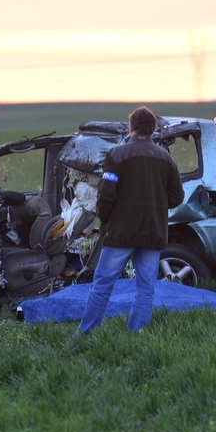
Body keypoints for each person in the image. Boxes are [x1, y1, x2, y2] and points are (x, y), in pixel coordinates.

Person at [76, 106, 183, 335]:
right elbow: (177, 197)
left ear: (131, 127)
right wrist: (156, 206)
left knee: (102, 285)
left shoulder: (116, 155)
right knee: (146, 288)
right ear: (153, 129)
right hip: (152, 233)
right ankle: (136, 334)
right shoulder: (167, 159)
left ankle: (86, 334)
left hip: (120, 233)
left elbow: (106, 194)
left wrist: (105, 220)